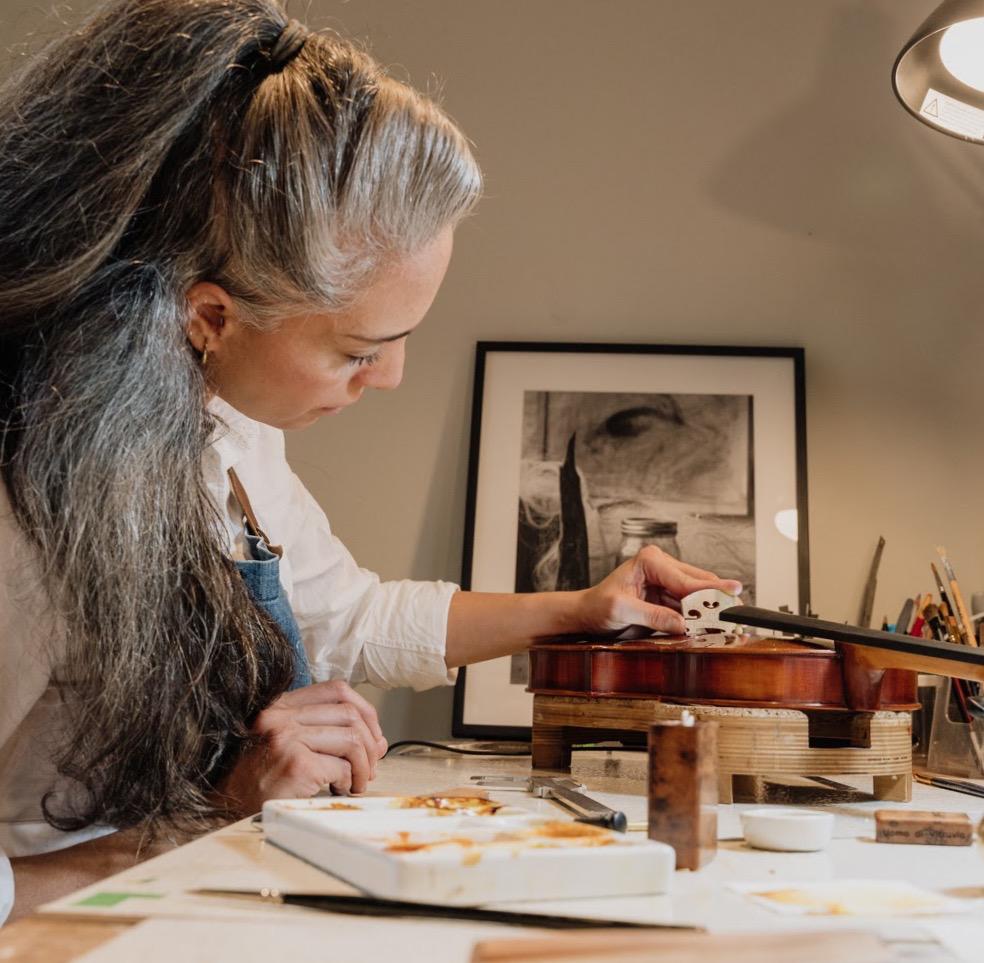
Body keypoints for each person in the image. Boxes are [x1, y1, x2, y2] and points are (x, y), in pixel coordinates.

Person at [0, 0, 741, 919]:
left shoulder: (221, 420)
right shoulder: (24, 511)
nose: (389, 377)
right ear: (210, 317)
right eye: (359, 349)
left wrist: (585, 608)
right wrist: (201, 818)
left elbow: (345, 615)